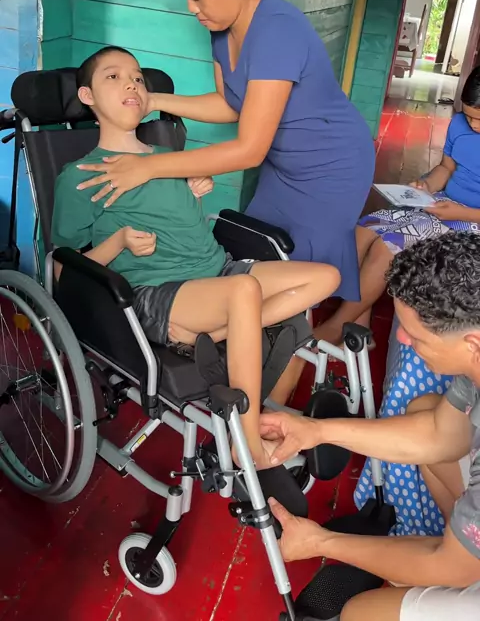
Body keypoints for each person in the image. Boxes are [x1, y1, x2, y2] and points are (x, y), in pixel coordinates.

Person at [74, 0, 375, 323]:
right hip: (283, 166)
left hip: (330, 167)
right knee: (255, 253)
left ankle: (308, 347)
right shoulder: (221, 26)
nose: (190, 8)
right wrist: (154, 99)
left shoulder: (276, 31)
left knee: (295, 279)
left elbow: (249, 149)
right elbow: (231, 103)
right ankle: (255, 341)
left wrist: (148, 167)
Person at [51, 46, 341, 471]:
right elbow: (62, 268)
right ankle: (248, 444)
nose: (131, 83)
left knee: (325, 277)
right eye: (113, 76)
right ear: (87, 96)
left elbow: (178, 216)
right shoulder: (81, 176)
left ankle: (223, 328)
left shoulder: (170, 159)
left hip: (217, 272)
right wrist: (118, 243)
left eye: (137, 77)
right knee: (244, 291)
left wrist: (190, 192)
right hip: (158, 291)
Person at [259, 232, 480, 621]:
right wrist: (316, 430)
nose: (402, 339)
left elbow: (450, 569)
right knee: (425, 409)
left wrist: (321, 541)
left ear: (472, 344)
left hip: (456, 567)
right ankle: (466, 542)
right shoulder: (474, 365)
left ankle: (463, 557)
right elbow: (439, 433)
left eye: (416, 335)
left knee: (360, 612)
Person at [316, 63, 480, 347]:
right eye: (469, 116)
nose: (474, 125)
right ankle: (359, 327)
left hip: (471, 220)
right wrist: (426, 186)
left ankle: (336, 326)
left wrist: (460, 213)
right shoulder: (458, 124)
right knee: (363, 229)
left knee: (387, 246)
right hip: (443, 204)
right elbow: (446, 168)